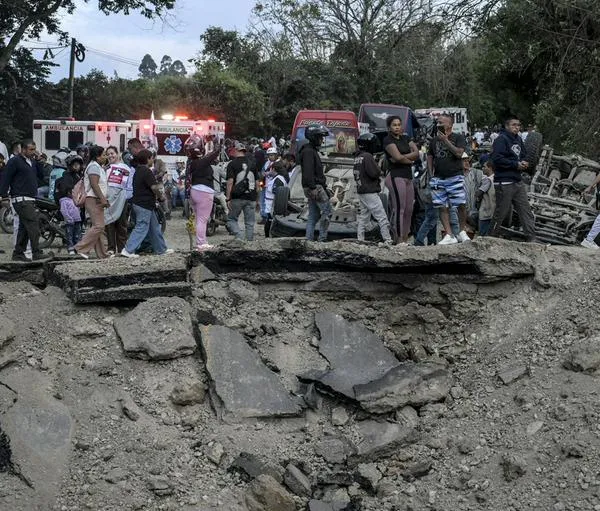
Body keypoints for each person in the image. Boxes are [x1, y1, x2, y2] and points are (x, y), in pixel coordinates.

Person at [0, 139, 51, 261]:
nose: (34, 152)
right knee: (33, 224)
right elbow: (6, 178)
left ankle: (18, 253)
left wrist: (39, 161)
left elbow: (41, 176)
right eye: (31, 150)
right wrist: (4, 195)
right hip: (20, 198)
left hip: (30, 198)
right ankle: (36, 251)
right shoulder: (15, 161)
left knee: (24, 227)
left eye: (34, 149)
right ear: (23, 149)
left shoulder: (32, 162)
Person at [489, 117, 537, 242]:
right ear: (507, 126)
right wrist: (515, 164)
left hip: (517, 180)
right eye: (513, 125)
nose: (517, 127)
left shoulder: (518, 139)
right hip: (504, 181)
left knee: (525, 210)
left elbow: (524, 154)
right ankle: (490, 238)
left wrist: (524, 162)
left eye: (518, 125)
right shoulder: (501, 139)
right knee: (501, 212)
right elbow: (496, 159)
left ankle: (531, 237)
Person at [427, 114, 470, 245]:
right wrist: (430, 174)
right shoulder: (434, 140)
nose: (439, 124)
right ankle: (449, 234)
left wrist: (445, 140)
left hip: (455, 175)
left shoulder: (458, 137)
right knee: (442, 206)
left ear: (450, 125)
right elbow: (430, 156)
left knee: (461, 204)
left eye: (442, 122)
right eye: (438, 122)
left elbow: (459, 153)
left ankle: (462, 231)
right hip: (439, 177)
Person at [121, 149, 173, 258]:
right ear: (147, 159)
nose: (153, 160)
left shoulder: (137, 171)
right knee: (142, 226)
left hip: (141, 204)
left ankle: (161, 249)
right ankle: (128, 250)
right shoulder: (147, 171)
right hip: (144, 204)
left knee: (154, 227)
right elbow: (154, 187)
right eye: (151, 158)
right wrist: (161, 197)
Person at [383, 116, 420, 245]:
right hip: (396, 175)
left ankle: (405, 237)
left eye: (399, 124)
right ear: (389, 127)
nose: (397, 127)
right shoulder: (388, 140)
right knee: (400, 208)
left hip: (408, 176)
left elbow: (417, 153)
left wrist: (404, 159)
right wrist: (409, 160)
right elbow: (396, 157)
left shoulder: (406, 138)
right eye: (394, 125)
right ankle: (398, 239)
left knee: (409, 209)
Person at [353, 132, 392, 245]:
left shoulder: (358, 156)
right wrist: (379, 168)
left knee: (363, 217)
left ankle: (360, 239)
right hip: (370, 191)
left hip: (361, 191)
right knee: (382, 217)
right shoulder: (367, 156)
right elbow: (374, 173)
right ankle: (387, 240)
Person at [74, 145, 109, 259]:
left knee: (97, 226)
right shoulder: (94, 167)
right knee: (99, 226)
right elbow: (94, 185)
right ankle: (80, 248)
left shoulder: (97, 166)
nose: (105, 157)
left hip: (96, 199)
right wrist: (103, 198)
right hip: (94, 199)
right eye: (103, 155)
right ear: (97, 157)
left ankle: (102, 254)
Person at [186, 134, 221, 251]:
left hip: (194, 191)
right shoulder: (202, 162)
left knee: (198, 219)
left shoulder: (191, 162)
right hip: (205, 192)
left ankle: (201, 242)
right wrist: (215, 140)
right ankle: (201, 243)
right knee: (202, 220)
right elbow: (216, 151)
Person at [301, 125, 331, 242]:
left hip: (313, 187)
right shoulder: (309, 152)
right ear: (313, 137)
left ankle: (309, 240)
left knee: (313, 216)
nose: (322, 140)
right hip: (314, 187)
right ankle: (322, 239)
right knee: (327, 212)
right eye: (320, 137)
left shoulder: (310, 150)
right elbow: (308, 172)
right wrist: (313, 187)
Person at [226, 142, 259, 242]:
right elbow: (257, 184)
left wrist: (228, 198)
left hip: (237, 197)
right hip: (251, 197)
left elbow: (230, 182)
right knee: (249, 223)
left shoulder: (232, 164)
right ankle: (249, 244)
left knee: (231, 219)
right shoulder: (252, 164)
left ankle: (239, 236)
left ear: (236, 150)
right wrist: (257, 199)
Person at [104, 146, 131, 255]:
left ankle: (122, 248)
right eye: (108, 154)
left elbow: (128, 184)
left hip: (121, 200)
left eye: (112, 153)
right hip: (109, 200)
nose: (110, 156)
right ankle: (111, 248)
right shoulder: (105, 168)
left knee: (121, 224)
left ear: (118, 154)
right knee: (109, 224)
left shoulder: (125, 168)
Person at [264, 154, 289, 237]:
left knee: (270, 222)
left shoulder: (278, 179)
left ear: (274, 169)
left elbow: (277, 193)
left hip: (273, 205)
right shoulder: (277, 178)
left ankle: (269, 237)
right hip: (271, 204)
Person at [60, 189, 83, 255]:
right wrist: (69, 218)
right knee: (69, 235)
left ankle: (78, 248)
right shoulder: (64, 201)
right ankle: (71, 249)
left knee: (77, 235)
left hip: (77, 220)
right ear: (68, 193)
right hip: (69, 221)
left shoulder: (75, 200)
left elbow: (78, 208)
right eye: (72, 193)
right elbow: (64, 211)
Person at [476, 160, 496, 236]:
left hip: (485, 213)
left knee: (482, 235)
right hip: (493, 212)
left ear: (490, 168)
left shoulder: (488, 180)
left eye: (484, 166)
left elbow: (479, 193)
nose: (482, 168)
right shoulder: (495, 178)